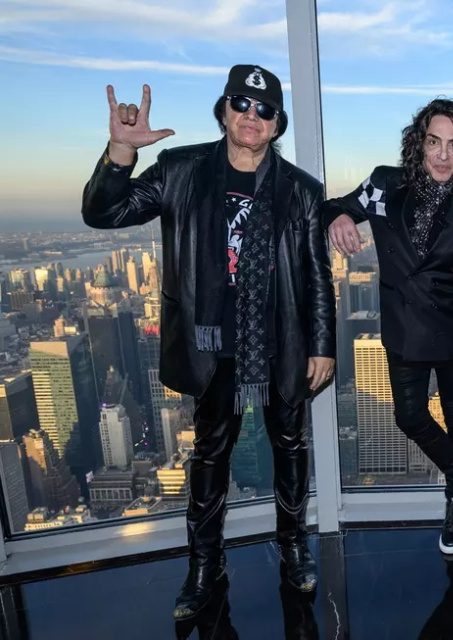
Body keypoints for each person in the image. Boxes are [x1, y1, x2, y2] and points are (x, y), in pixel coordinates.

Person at [81, 64, 336, 619]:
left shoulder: (301, 191)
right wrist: (121, 152)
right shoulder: (181, 170)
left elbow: (317, 274)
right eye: (241, 104)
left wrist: (323, 345)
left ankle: (293, 546)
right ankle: (204, 564)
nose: (252, 116)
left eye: (265, 110)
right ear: (223, 111)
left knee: (290, 448)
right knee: (210, 453)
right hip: (210, 342)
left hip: (279, 341)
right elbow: (103, 212)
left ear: (277, 125)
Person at [323, 99, 453, 554]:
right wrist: (339, 216)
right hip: (403, 325)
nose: (443, 155)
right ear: (419, 144)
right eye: (434, 142)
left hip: (452, 323)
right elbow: (334, 206)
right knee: (409, 415)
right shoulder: (385, 184)